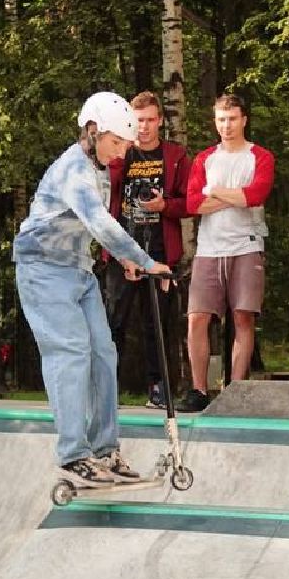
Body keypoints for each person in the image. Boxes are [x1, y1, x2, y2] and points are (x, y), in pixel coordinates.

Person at [13, 91, 170, 488]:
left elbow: (90, 228)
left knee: (103, 351)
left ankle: (105, 449)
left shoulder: (98, 168)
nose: (121, 153)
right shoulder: (74, 169)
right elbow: (100, 223)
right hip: (42, 269)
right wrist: (145, 259)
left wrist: (124, 259)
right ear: (92, 130)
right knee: (70, 351)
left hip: (78, 271)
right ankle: (73, 454)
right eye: (116, 143)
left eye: (125, 145)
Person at [181, 92, 274, 412]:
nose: (227, 125)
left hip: (246, 245)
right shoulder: (204, 159)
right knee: (196, 318)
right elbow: (193, 204)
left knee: (243, 317)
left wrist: (215, 192)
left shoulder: (259, 156)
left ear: (244, 119)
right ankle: (198, 389)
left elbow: (258, 194)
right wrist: (237, 196)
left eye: (232, 118)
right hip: (209, 248)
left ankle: (235, 389)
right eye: (221, 119)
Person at [102, 90, 189, 408]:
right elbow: (101, 197)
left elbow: (189, 202)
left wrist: (164, 204)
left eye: (151, 120)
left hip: (159, 251)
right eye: (139, 121)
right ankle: (106, 388)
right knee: (114, 322)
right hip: (120, 250)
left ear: (160, 121)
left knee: (157, 324)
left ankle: (158, 388)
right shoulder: (118, 153)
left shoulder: (176, 156)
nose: (145, 127)